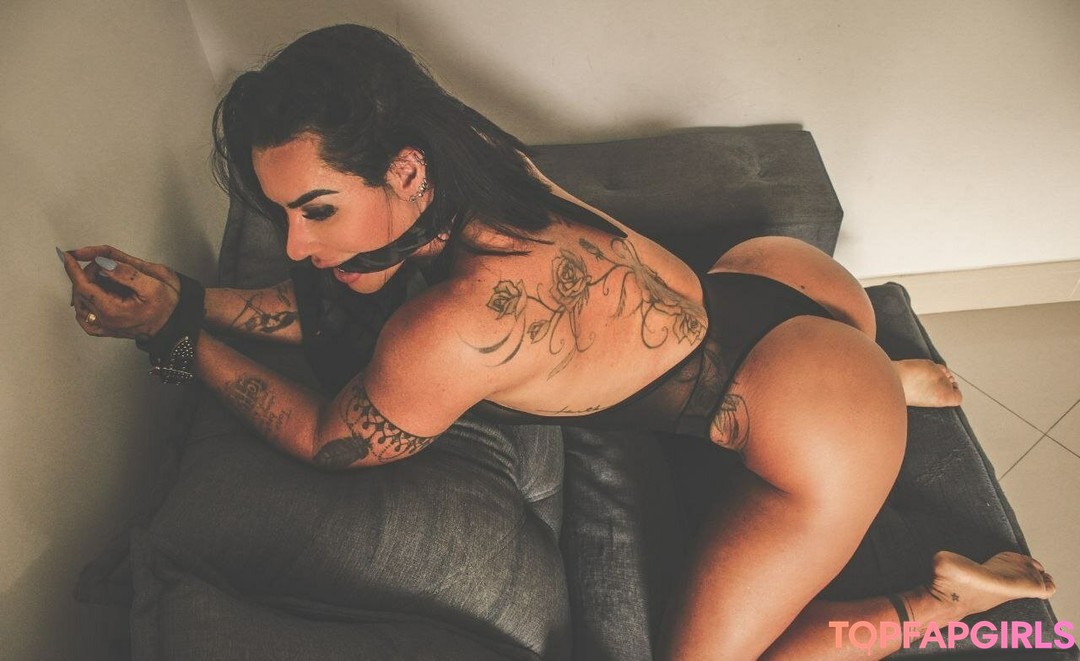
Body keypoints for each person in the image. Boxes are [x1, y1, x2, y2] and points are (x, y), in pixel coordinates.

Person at [60, 24, 1055, 660]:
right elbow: (320, 299)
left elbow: (327, 436)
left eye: (315, 209)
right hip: (778, 284)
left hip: (819, 418)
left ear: (402, 173)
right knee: (819, 357)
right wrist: (194, 298)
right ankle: (879, 368)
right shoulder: (464, 151)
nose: (295, 244)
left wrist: (177, 336)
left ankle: (939, 599)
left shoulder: (454, 327)